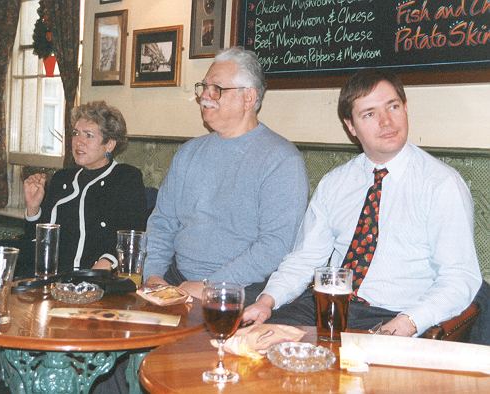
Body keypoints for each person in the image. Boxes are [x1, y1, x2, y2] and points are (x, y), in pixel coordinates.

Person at [243, 69, 483, 337]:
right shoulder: (335, 183)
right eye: (369, 114)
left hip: (394, 313)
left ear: (405, 108)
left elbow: (460, 278)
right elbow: (305, 258)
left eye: (393, 106)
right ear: (351, 126)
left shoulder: (441, 184)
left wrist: (410, 321)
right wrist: (267, 301)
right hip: (328, 304)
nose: (386, 121)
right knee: (250, 345)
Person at [143, 47, 309, 303]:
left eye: (217, 89)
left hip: (242, 290)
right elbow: (163, 222)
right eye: (204, 87)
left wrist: (212, 285)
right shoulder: (188, 153)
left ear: (248, 98)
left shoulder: (282, 160)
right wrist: (153, 275)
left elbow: (275, 245)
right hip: (177, 281)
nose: (205, 97)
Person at [11, 100, 147, 277]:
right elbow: (35, 239)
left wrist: (106, 263)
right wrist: (33, 207)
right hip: (45, 275)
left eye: (88, 135)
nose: (78, 142)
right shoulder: (62, 178)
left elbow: (132, 232)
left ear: (110, 144)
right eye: (76, 133)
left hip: (91, 279)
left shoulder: (125, 178)